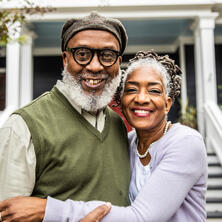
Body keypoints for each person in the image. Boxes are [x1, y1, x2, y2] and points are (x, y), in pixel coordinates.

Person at [0, 50, 207, 222]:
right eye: (132, 89)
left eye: (153, 91)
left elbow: (140, 217)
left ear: (168, 104)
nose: (141, 98)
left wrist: (47, 209)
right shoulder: (126, 141)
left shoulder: (185, 142)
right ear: (121, 101)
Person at [0, 12, 131, 220]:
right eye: (82, 54)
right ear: (65, 58)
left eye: (107, 55)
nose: (95, 66)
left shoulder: (118, 124)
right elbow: (6, 216)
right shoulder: (23, 126)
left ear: (118, 63)